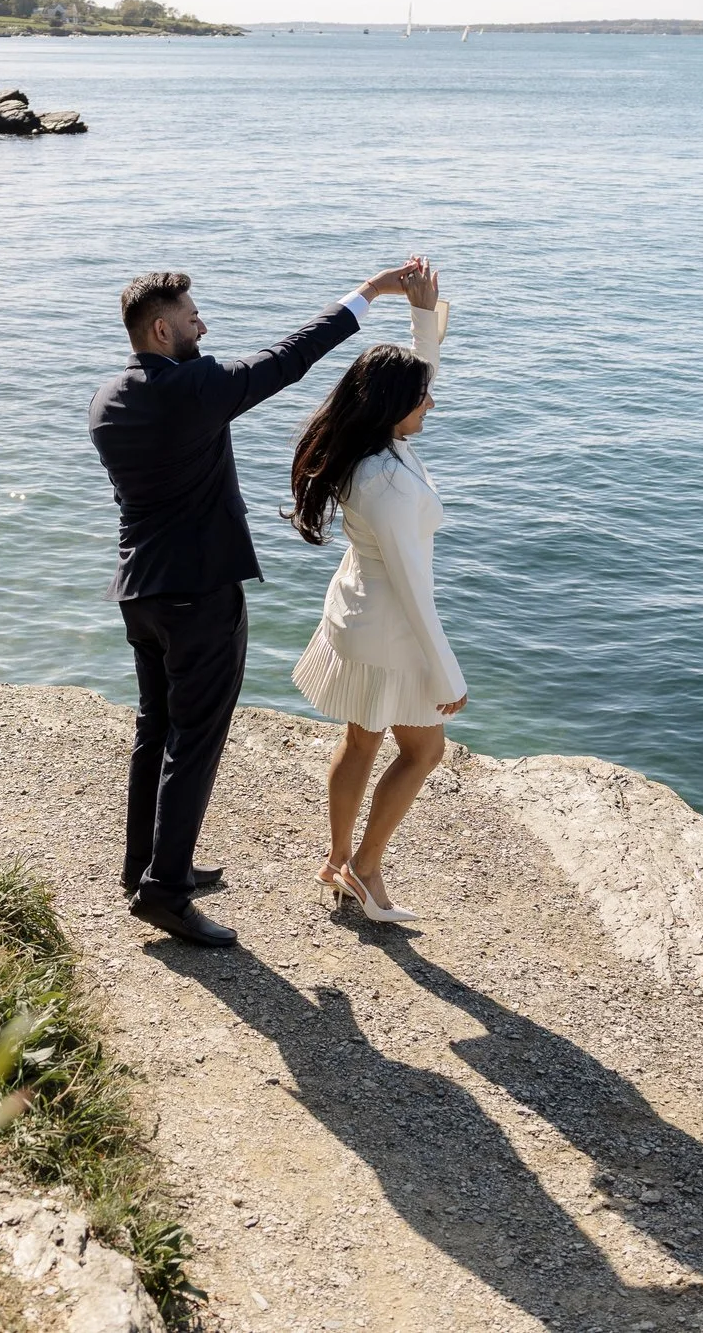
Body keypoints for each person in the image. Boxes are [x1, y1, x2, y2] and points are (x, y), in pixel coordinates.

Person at [90, 260, 421, 948]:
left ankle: (144, 866)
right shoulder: (195, 389)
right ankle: (167, 892)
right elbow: (290, 357)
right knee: (194, 740)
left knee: (156, 730)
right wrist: (369, 292)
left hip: (138, 592)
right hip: (199, 594)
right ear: (160, 326)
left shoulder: (108, 399)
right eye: (190, 316)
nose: (202, 324)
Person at [286, 257, 463, 924]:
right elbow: (416, 592)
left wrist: (421, 310)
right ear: (396, 407)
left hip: (356, 614)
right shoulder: (386, 482)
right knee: (424, 749)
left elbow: (422, 373)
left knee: (362, 740)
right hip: (390, 627)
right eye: (424, 398)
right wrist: (446, 671)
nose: (434, 402)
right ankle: (364, 868)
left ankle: (338, 861)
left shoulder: (372, 443)